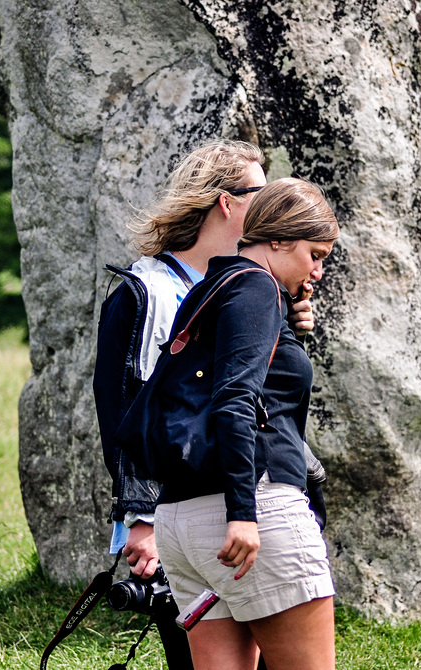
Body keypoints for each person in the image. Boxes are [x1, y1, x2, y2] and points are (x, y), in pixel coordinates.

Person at [93, 139, 315, 667]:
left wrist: (290, 334)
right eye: (259, 192)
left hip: (249, 504)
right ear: (226, 201)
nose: (271, 201)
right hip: (181, 511)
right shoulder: (143, 292)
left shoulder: (248, 281)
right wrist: (140, 519)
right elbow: (125, 411)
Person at [153, 177, 339, 670]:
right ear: (277, 240)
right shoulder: (257, 288)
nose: (317, 271)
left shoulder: (210, 288)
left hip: (180, 519)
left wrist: (289, 335)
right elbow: (234, 401)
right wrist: (243, 512)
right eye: (315, 254)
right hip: (250, 508)